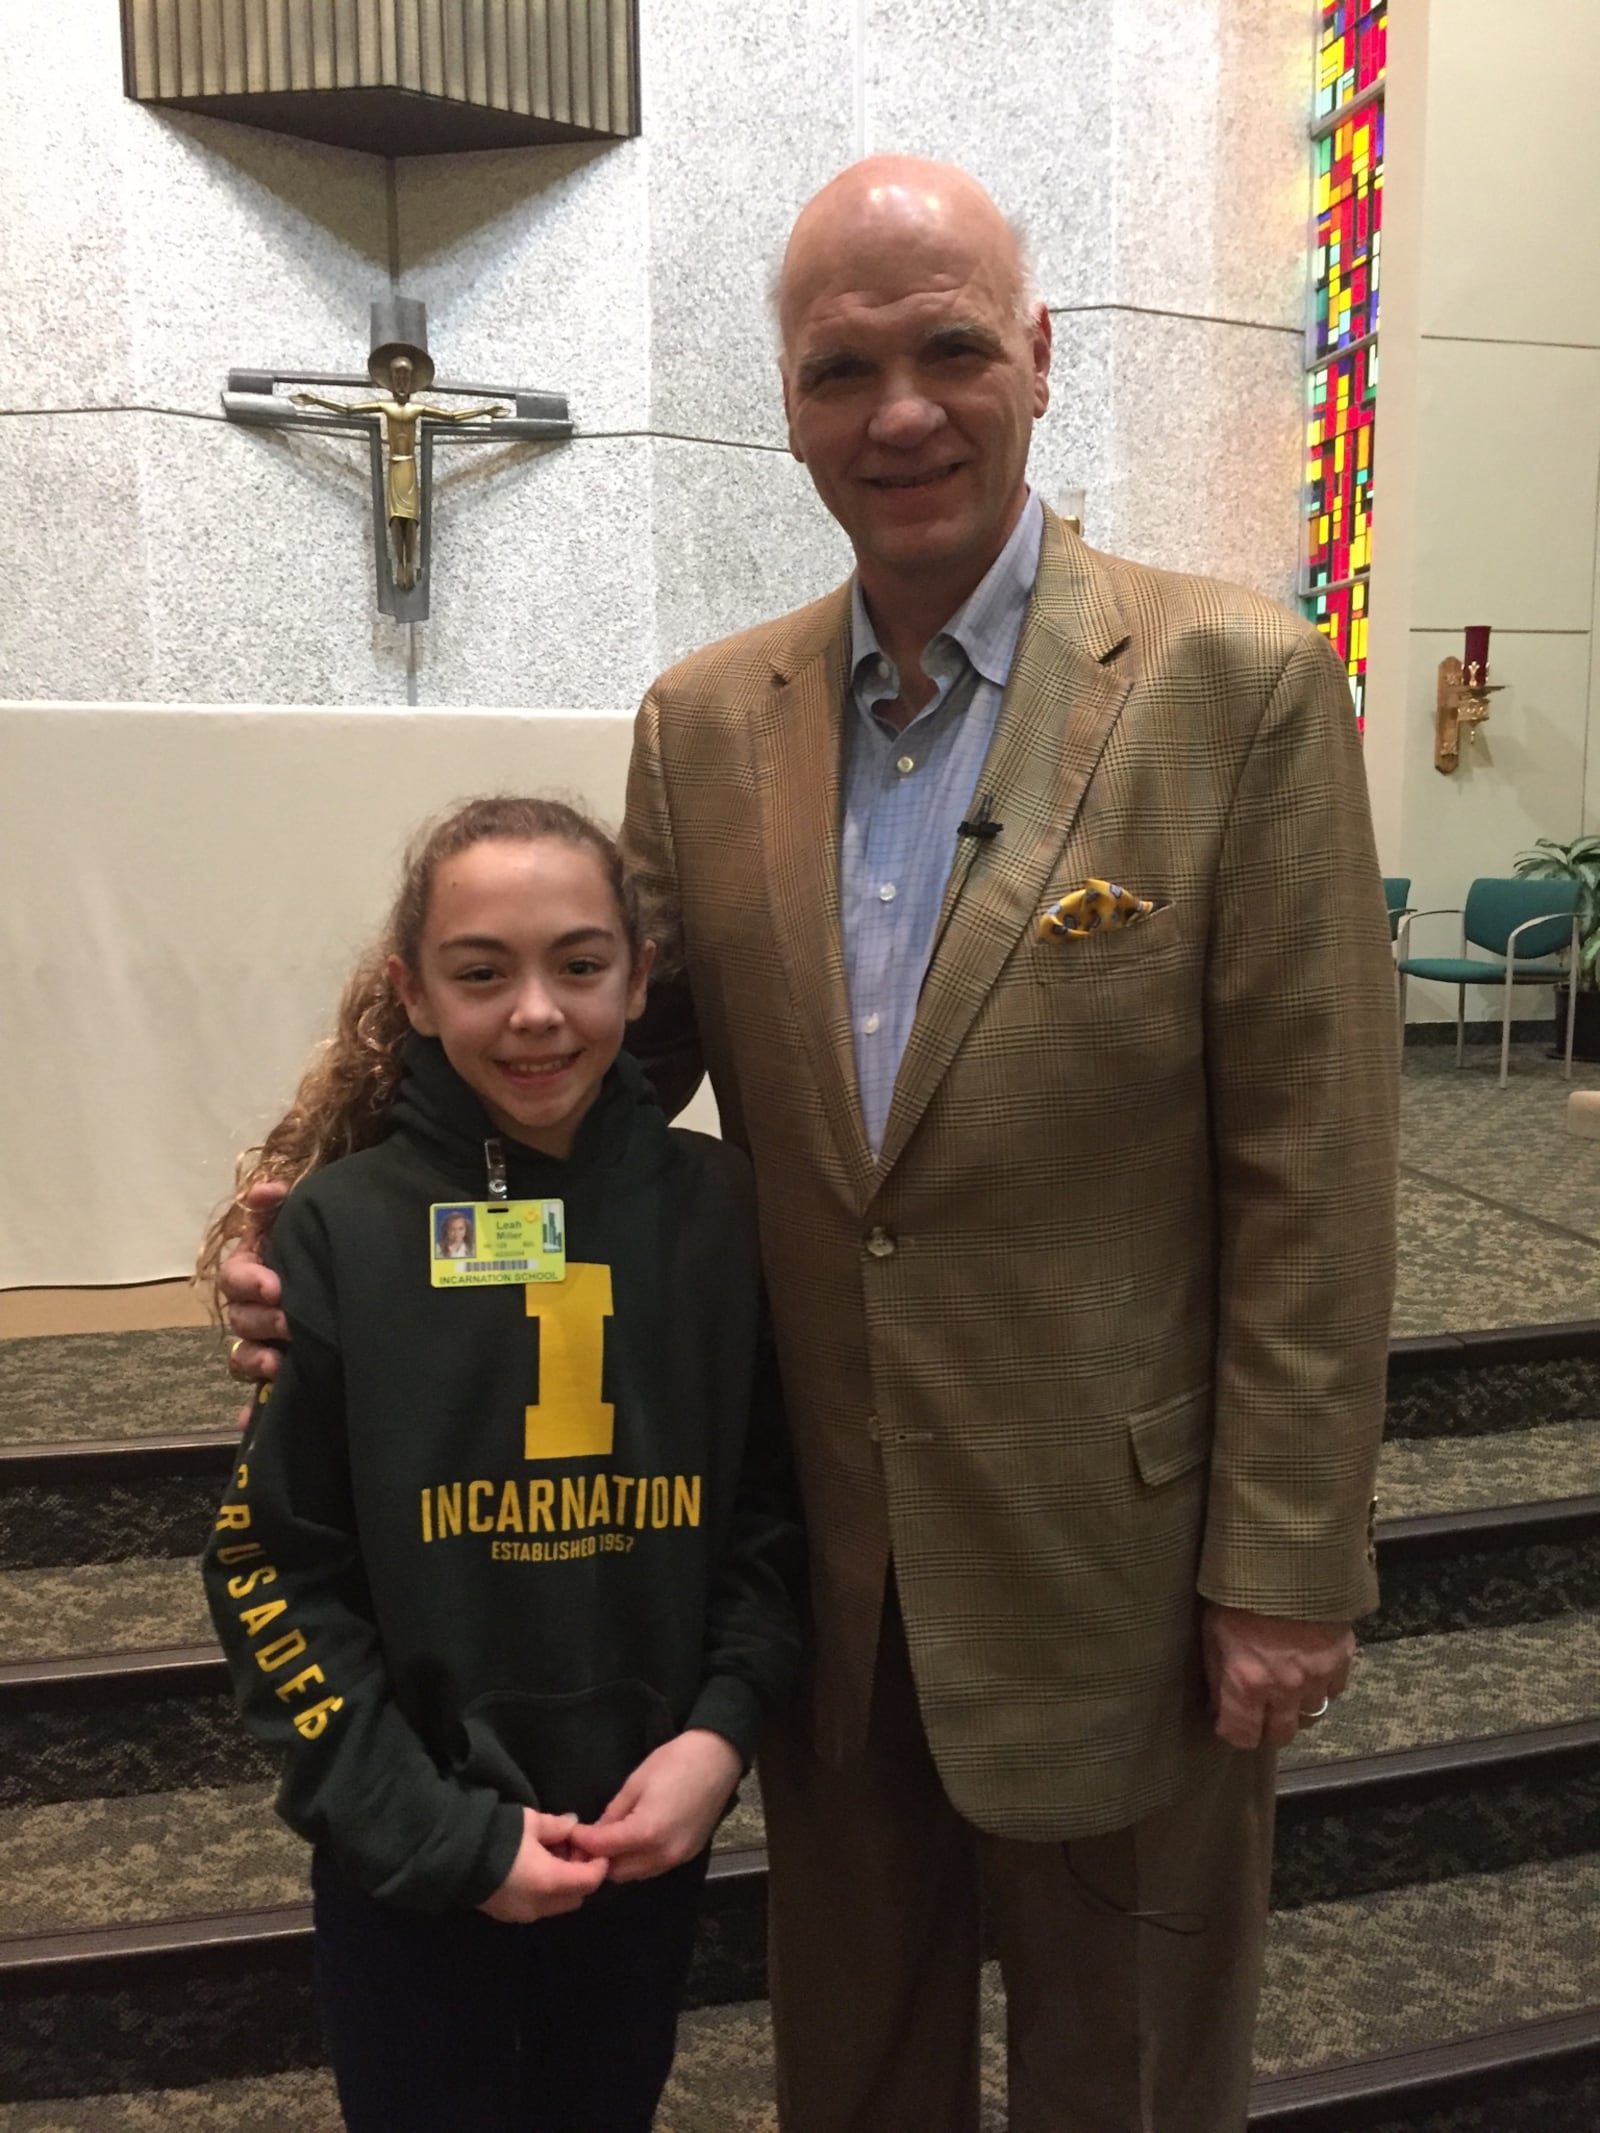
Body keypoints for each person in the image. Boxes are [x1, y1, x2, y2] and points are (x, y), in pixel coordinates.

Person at [223, 159, 1399, 2132]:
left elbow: (1314, 1168)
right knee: (849, 2072)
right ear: (785, 400)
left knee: (1121, 2069)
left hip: (1117, 1565)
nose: (900, 410)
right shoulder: (705, 721)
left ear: (1035, 356)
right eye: (840, 366)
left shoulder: (1230, 687)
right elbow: (578, 1057)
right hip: (821, 1585)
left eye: (947, 348)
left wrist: (1284, 1559)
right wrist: (311, 1216)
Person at [200, 795, 802, 2133]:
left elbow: (767, 1517)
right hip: (409, 1846)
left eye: (581, 964)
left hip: (647, 1825)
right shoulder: (345, 1230)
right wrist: (428, 1828)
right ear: (413, 995)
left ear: (642, 978)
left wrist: (720, 1730)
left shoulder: (719, 1212)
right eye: (483, 972)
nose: (537, 1010)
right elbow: (271, 1565)